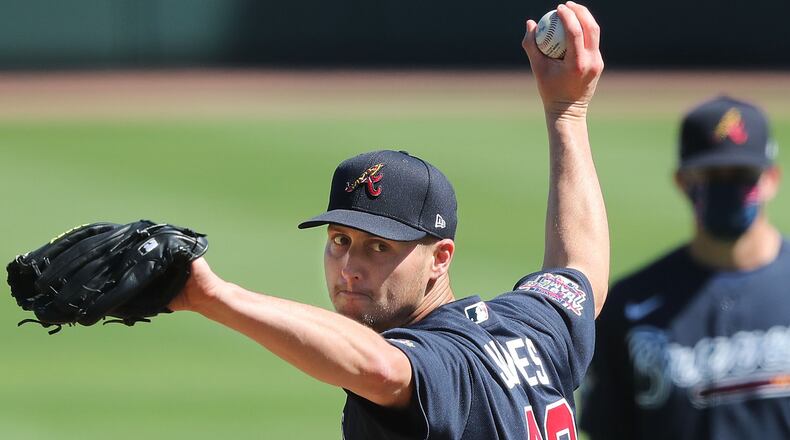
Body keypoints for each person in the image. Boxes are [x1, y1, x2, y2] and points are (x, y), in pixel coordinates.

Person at [169, 3, 607, 438]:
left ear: (440, 258)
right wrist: (567, 111)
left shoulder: (440, 360)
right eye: (340, 240)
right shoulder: (528, 327)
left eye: (380, 247)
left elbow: (383, 369)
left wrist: (213, 297)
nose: (349, 267)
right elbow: (579, 268)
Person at [580, 96, 790, 440]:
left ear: (771, 179)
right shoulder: (631, 305)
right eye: (711, 175)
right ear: (682, 181)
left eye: (741, 174)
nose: (727, 185)